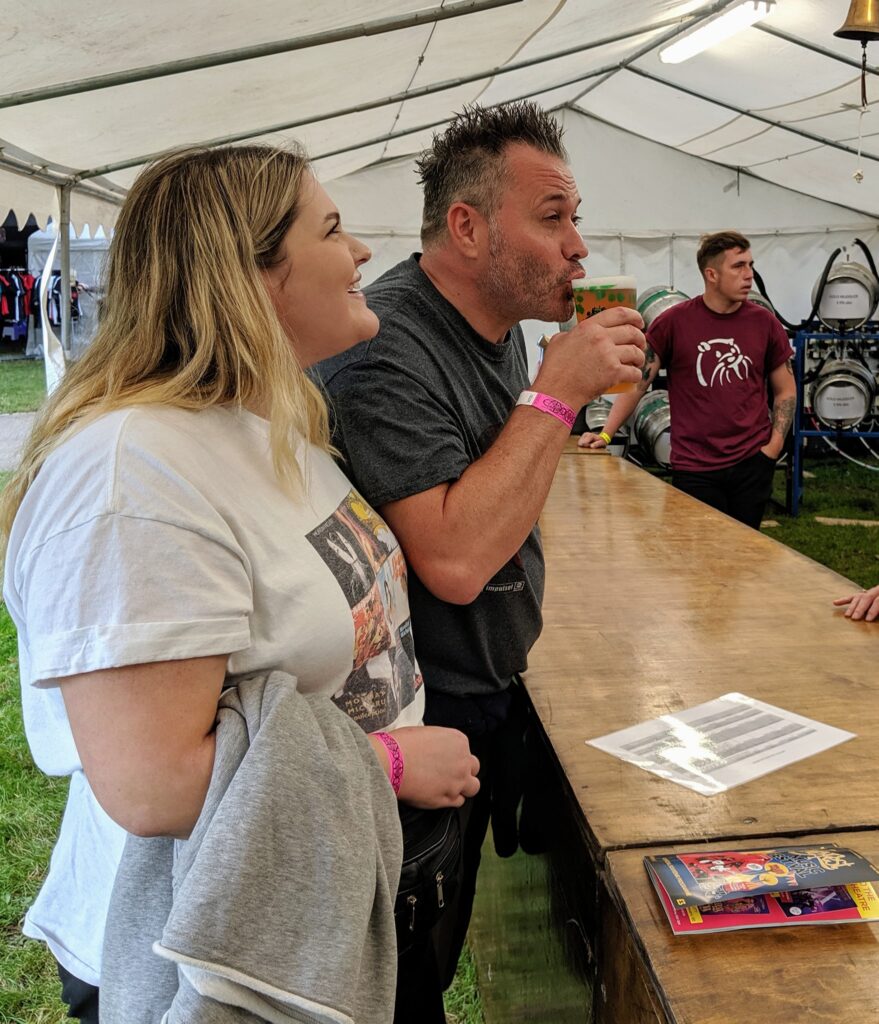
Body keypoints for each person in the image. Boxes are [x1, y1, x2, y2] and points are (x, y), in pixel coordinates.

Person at [0, 144, 480, 1022]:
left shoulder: (260, 422)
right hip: (208, 945)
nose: (361, 252)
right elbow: (153, 785)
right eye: (331, 230)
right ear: (248, 274)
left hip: (310, 897)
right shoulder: (132, 476)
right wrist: (388, 764)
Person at [314, 101, 646, 1021]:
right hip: (414, 716)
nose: (577, 246)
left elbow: (503, 486)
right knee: (400, 976)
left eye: (574, 217)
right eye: (552, 217)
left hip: (478, 687)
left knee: (439, 944)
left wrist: (555, 399)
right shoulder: (384, 347)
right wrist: (555, 396)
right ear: (466, 227)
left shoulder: (498, 330)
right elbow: (455, 560)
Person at [580, 230, 796, 530]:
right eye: (738, 266)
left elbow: (786, 390)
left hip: (752, 464)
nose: (749, 275)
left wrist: (772, 449)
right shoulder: (674, 322)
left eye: (750, 265)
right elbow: (639, 383)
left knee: (747, 553)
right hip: (695, 468)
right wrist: (605, 434)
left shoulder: (764, 322)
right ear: (712, 274)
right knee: (696, 554)